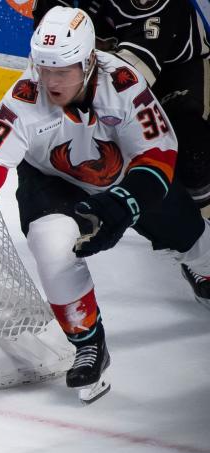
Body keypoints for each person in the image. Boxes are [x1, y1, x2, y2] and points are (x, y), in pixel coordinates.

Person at [0, 7, 210, 403]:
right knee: (50, 245)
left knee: (193, 241)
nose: (50, 81)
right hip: (51, 181)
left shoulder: (124, 85)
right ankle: (88, 342)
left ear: (89, 63)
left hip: (128, 182)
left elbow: (158, 157)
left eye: (62, 71)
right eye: (43, 69)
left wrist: (120, 207)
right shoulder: (24, 97)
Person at [31, 0, 210, 292]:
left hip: (175, 71)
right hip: (97, 75)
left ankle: (202, 239)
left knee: (192, 156)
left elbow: (129, 77)